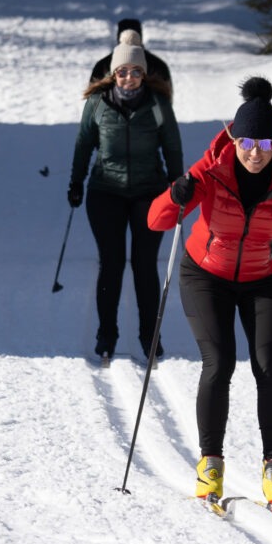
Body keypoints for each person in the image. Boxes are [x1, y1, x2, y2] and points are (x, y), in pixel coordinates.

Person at [148, 75, 272, 514]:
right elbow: (158, 221)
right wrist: (175, 193)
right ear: (233, 138)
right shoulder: (210, 170)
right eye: (248, 142)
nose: (256, 152)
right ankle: (210, 463)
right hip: (206, 274)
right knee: (219, 363)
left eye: (266, 144)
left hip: (267, 276)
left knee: (269, 366)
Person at [69, 30, 184, 362]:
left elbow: (172, 146)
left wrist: (176, 185)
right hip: (106, 192)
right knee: (112, 264)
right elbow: (83, 144)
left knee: (145, 267)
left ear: (144, 74)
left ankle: (150, 336)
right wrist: (76, 182)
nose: (129, 77)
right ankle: (107, 335)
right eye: (123, 71)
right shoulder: (97, 104)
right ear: (113, 73)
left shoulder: (158, 104)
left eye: (136, 71)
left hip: (149, 192)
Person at [89, 19, 173, 88]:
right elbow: (167, 98)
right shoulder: (158, 65)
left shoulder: (102, 65)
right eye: (122, 73)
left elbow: (92, 98)